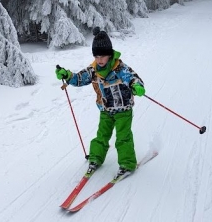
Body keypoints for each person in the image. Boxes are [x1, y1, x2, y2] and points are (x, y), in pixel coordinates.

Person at [55, 27, 145, 178]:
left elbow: (133, 78)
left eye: (102, 56)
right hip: (105, 109)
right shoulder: (93, 70)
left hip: (123, 109)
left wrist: (137, 86)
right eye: (96, 57)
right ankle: (96, 157)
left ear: (110, 55)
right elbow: (79, 78)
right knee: (102, 135)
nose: (99, 60)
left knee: (123, 137)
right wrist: (67, 75)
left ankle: (127, 163)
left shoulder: (120, 68)